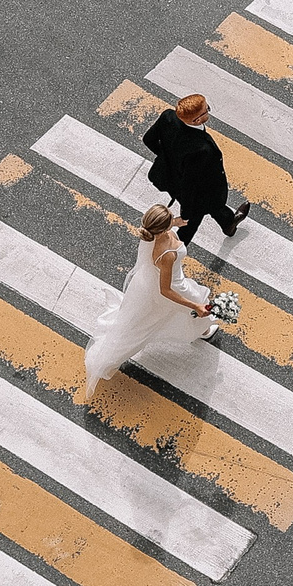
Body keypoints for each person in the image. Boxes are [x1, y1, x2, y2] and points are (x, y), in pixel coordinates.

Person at [80, 205, 217, 398]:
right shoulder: (166, 254)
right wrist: (194, 306)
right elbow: (166, 290)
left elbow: (163, 229)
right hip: (175, 288)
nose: (173, 218)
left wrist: (175, 223)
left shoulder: (154, 235)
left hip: (163, 282)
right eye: (170, 219)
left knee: (190, 307)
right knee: (192, 305)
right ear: (162, 228)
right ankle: (103, 360)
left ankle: (203, 329)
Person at [143, 93, 252, 246]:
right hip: (195, 194)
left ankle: (228, 223)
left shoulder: (168, 116)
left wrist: (170, 158)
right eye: (206, 109)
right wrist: (186, 214)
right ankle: (171, 253)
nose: (208, 110)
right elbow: (189, 185)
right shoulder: (201, 150)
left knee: (215, 206)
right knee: (190, 224)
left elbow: (148, 139)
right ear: (197, 120)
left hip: (170, 178)